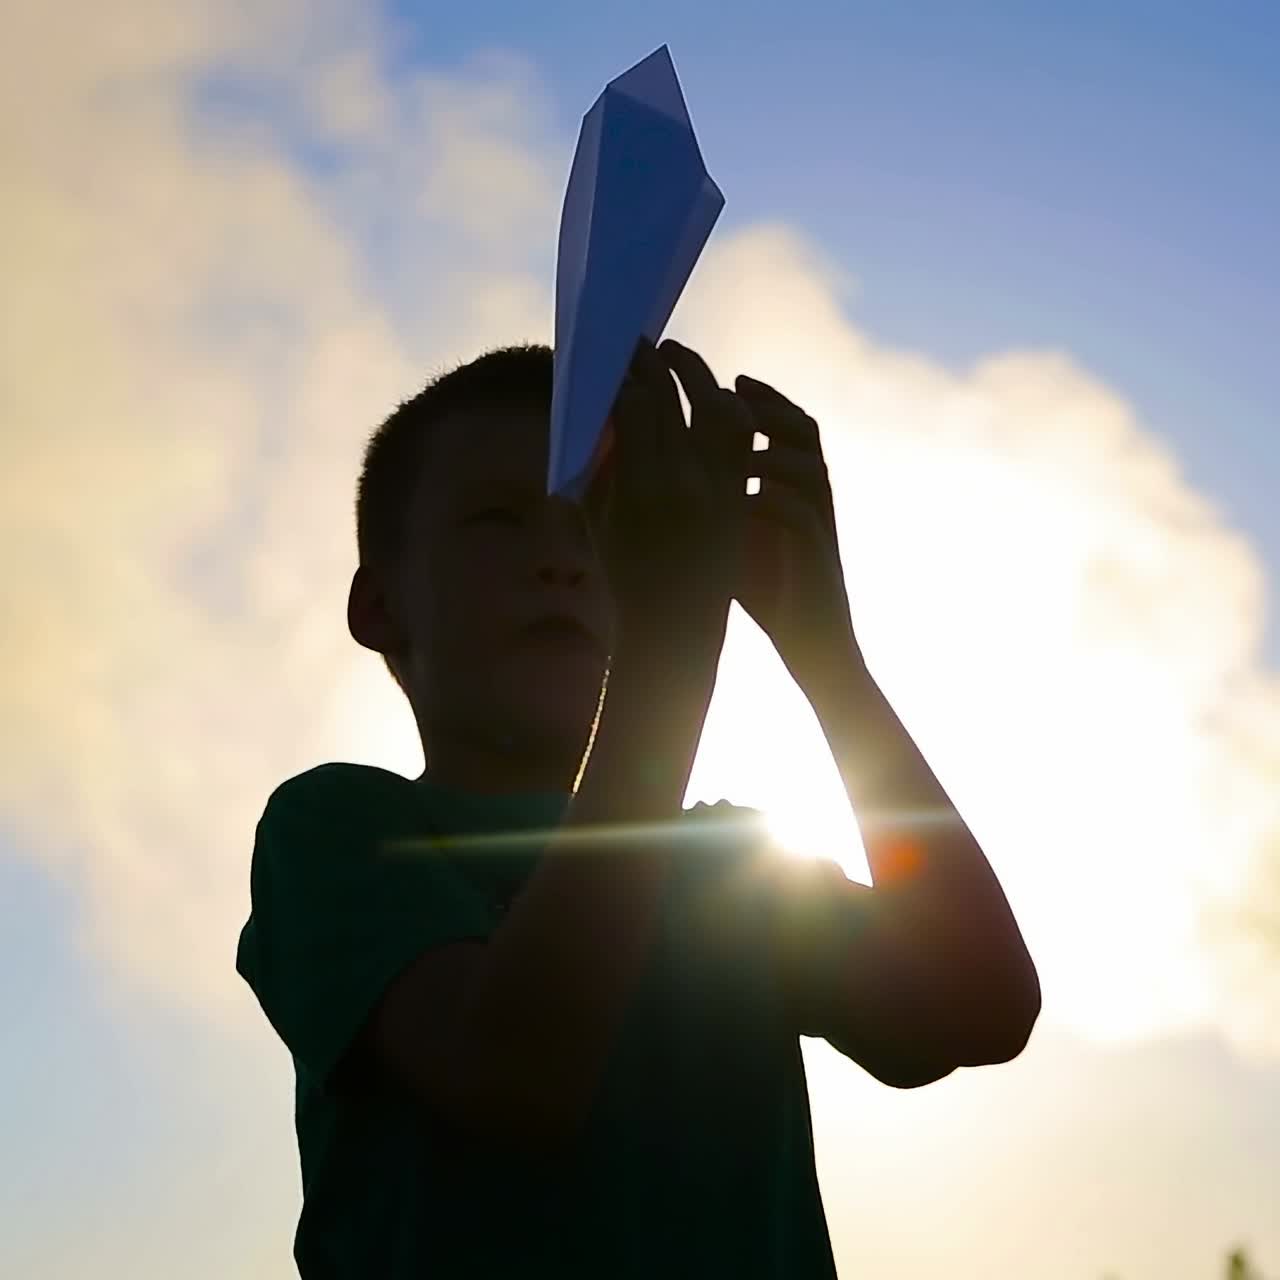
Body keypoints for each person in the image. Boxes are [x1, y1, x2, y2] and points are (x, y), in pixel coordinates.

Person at [236, 337, 1040, 1277]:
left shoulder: (730, 864)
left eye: (599, 527)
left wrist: (828, 656)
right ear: (380, 607)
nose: (559, 561)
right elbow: (518, 1071)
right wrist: (673, 639)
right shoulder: (342, 831)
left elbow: (979, 1005)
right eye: (501, 522)